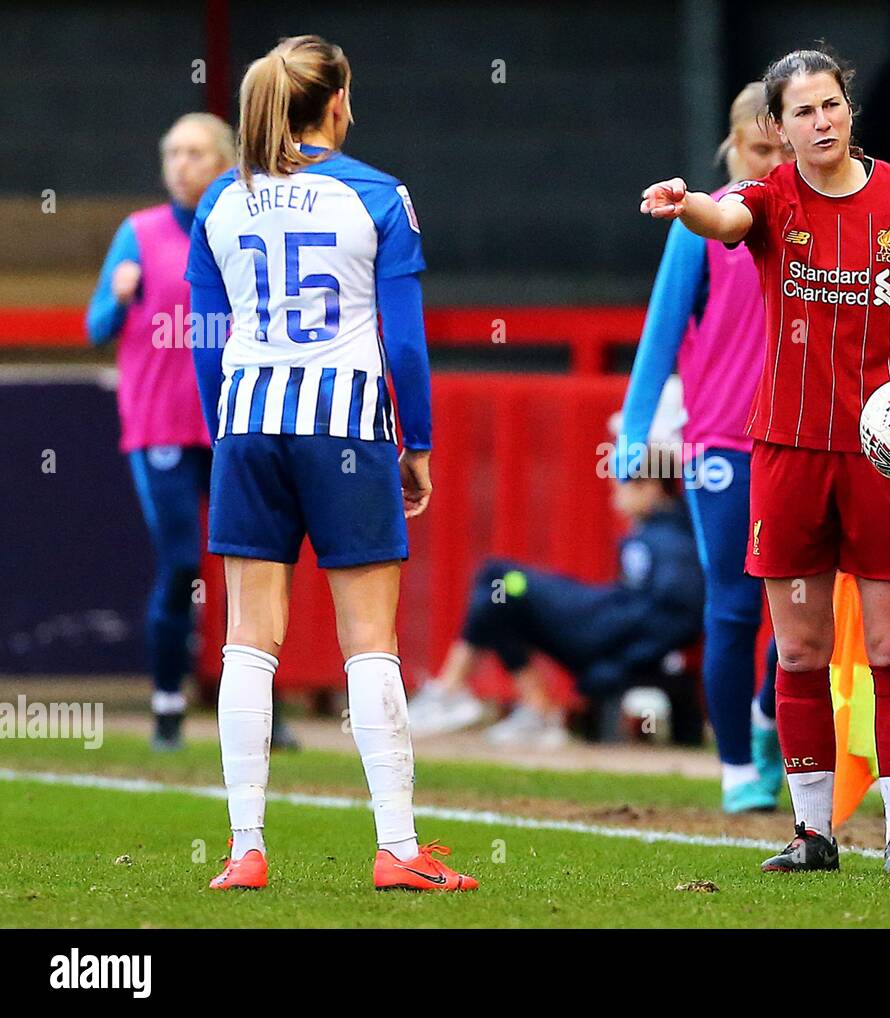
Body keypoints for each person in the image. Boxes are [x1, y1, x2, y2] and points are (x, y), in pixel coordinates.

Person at [640, 48, 890, 876]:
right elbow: (724, 223)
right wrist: (687, 208)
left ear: (849, 107)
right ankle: (812, 831)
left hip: (883, 461)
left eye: (831, 105)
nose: (821, 122)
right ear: (777, 130)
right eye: (802, 112)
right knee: (798, 651)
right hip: (785, 453)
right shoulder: (770, 197)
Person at [187, 35, 476, 892]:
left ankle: (245, 848)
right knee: (369, 640)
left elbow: (208, 345)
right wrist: (414, 443)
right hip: (346, 427)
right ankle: (396, 847)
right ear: (339, 103)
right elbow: (408, 346)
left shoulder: (219, 201)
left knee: (249, 638)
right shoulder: (379, 196)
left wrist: (223, 435)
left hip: (247, 425)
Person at [616, 82, 789, 813]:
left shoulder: (817, 219)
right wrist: (633, 433)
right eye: (758, 150)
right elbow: (660, 331)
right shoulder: (701, 223)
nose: (770, 166)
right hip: (722, 439)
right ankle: (732, 767)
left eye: (783, 152)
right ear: (732, 142)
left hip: (805, 438)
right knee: (733, 607)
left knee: (811, 602)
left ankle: (767, 716)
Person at [87, 113, 276, 752]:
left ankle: (254, 714)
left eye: (196, 153)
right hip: (162, 425)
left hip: (235, 420)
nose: (181, 165)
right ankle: (168, 705)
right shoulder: (138, 234)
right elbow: (94, 327)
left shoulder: (244, 224)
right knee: (179, 565)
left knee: (254, 563)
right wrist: (118, 298)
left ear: (225, 159)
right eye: (172, 153)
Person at [411, 471, 704, 748]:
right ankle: (535, 708)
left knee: (499, 577)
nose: (615, 495)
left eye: (621, 487)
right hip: (595, 620)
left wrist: (620, 664)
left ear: (650, 487)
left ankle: (451, 691)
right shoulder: (656, 533)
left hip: (594, 629)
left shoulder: (672, 542)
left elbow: (680, 617)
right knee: (499, 598)